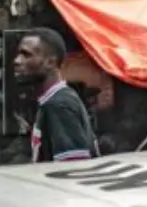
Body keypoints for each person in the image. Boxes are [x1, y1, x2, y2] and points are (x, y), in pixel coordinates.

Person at [13, 28, 98, 163]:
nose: (17, 61)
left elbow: (71, 169)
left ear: (50, 63)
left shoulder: (59, 105)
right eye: (18, 54)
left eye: (26, 55)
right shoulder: (52, 101)